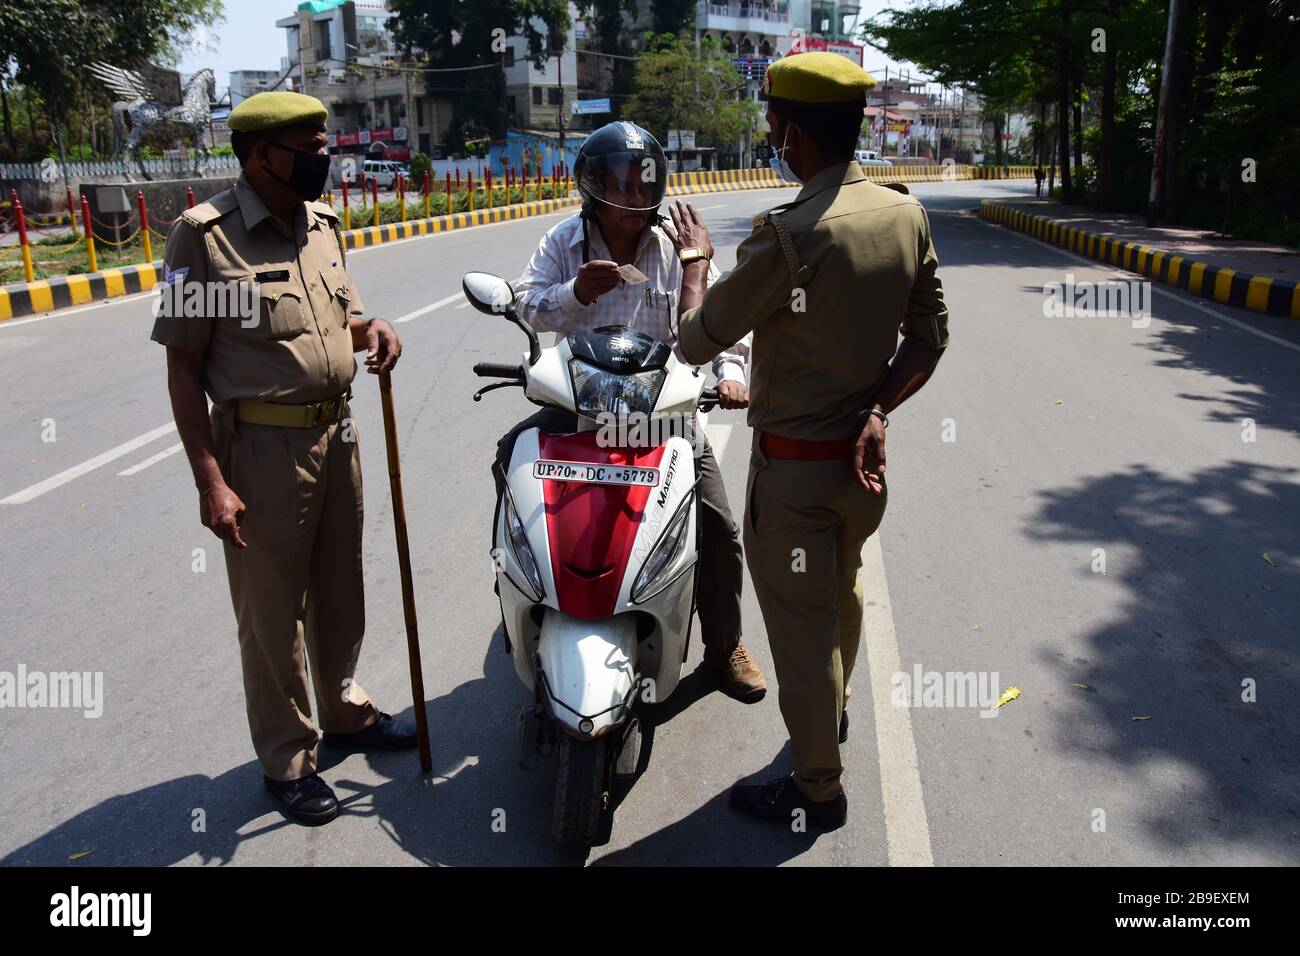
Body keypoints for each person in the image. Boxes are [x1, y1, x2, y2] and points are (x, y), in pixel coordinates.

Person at [676, 53, 949, 829]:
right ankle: (835, 713)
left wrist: (696, 263)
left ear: (792, 133)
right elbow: (928, 341)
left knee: (800, 633)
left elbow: (699, 341)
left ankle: (816, 788)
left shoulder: (791, 236)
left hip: (794, 481)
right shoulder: (904, 215)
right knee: (842, 593)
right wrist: (878, 412)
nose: (772, 136)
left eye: (772, 124)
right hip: (861, 471)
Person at [150, 91, 415, 827]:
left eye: (324, 144)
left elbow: (340, 319)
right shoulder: (202, 240)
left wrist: (374, 329)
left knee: (339, 589)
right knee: (271, 610)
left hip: (338, 437)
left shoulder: (323, 225)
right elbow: (181, 368)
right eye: (310, 146)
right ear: (264, 154)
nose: (324, 157)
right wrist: (210, 480)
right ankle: (287, 758)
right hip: (260, 449)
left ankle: (344, 710)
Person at [499, 120, 766, 702]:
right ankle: (519, 589)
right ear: (592, 189)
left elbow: (718, 320)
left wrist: (731, 375)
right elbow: (526, 307)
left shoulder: (676, 246)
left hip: (661, 416)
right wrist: (576, 294)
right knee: (507, 461)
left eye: (644, 185)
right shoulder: (562, 242)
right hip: (579, 415)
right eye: (620, 185)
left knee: (718, 528)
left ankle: (724, 645)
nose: (635, 198)